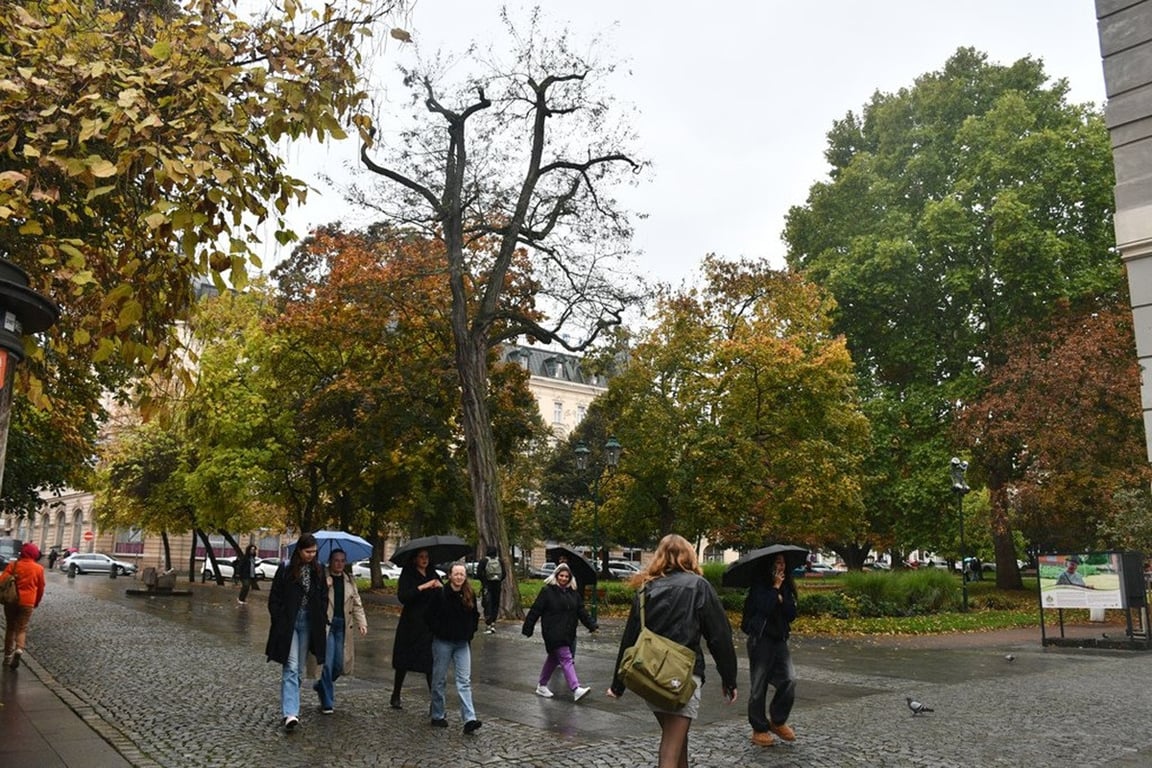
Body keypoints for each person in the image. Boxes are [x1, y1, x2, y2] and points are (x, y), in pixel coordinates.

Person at [608, 533, 738, 768]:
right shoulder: (699, 586)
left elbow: (630, 638)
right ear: (689, 556)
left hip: (649, 675)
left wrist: (617, 685)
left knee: (678, 739)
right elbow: (719, 636)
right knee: (671, 746)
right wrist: (729, 679)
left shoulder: (646, 589)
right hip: (683, 678)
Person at [264, 533, 327, 732]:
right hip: (289, 622)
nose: (311, 555)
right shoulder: (286, 569)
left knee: (298, 669)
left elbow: (323, 597)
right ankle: (291, 713)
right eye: (308, 551)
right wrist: (280, 618)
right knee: (290, 666)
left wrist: (320, 615)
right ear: (299, 550)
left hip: (309, 622)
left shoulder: (318, 570)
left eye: (314, 552)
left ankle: (290, 707)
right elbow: (274, 598)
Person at [740, 552, 798, 747]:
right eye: (777, 563)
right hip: (761, 639)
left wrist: (783, 597)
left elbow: (791, 614)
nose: (780, 567)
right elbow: (763, 607)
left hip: (779, 639)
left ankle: (778, 720)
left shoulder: (788, 585)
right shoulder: (759, 586)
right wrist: (775, 589)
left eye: (783, 562)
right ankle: (759, 727)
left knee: (789, 679)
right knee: (759, 684)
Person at [521, 561, 597, 701]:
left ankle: (542, 685)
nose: (563, 578)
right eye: (561, 575)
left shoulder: (573, 594)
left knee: (554, 658)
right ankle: (575, 688)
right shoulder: (547, 592)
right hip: (552, 631)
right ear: (556, 576)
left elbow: (582, 611)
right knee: (567, 658)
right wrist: (528, 627)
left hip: (568, 632)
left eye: (566, 576)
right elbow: (535, 610)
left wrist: (592, 625)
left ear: (570, 578)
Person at [310, 548, 368, 714]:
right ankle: (327, 702)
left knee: (339, 665)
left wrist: (362, 622)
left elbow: (357, 603)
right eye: (336, 560)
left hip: (343, 626)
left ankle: (321, 684)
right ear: (330, 561)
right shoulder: (322, 577)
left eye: (343, 560)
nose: (340, 564)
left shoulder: (349, 580)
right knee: (327, 664)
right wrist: (324, 586)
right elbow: (312, 599)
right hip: (326, 626)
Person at [426, 562, 482, 734]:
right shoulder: (440, 594)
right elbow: (429, 616)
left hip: (462, 643)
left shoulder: (469, 593)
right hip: (443, 641)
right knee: (439, 679)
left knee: (464, 681)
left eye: (462, 574)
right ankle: (437, 714)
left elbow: (475, 616)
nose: (459, 577)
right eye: (456, 574)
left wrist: (470, 632)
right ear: (449, 575)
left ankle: (469, 719)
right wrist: (438, 630)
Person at [390, 548, 442, 710]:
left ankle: (435, 701)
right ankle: (396, 693)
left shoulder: (433, 572)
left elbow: (443, 594)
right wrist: (423, 587)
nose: (425, 559)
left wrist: (440, 586)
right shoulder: (408, 574)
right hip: (411, 623)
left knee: (429, 661)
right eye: (421, 557)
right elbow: (404, 596)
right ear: (415, 559)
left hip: (429, 622)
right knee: (404, 660)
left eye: (427, 556)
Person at [2, 543, 46, 669]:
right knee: (21, 628)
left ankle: (7, 657)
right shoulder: (38, 569)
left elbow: (2, 581)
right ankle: (19, 650)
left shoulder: (13, 565)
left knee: (10, 628)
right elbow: (41, 588)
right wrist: (36, 602)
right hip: (28, 602)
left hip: (11, 601)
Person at [478, 545, 504, 634]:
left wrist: (484, 580)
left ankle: (488, 624)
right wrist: (498, 580)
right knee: (495, 604)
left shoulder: (484, 561)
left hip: (487, 585)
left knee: (487, 603)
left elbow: (478, 573)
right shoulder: (500, 561)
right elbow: (504, 573)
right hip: (497, 585)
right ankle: (493, 623)